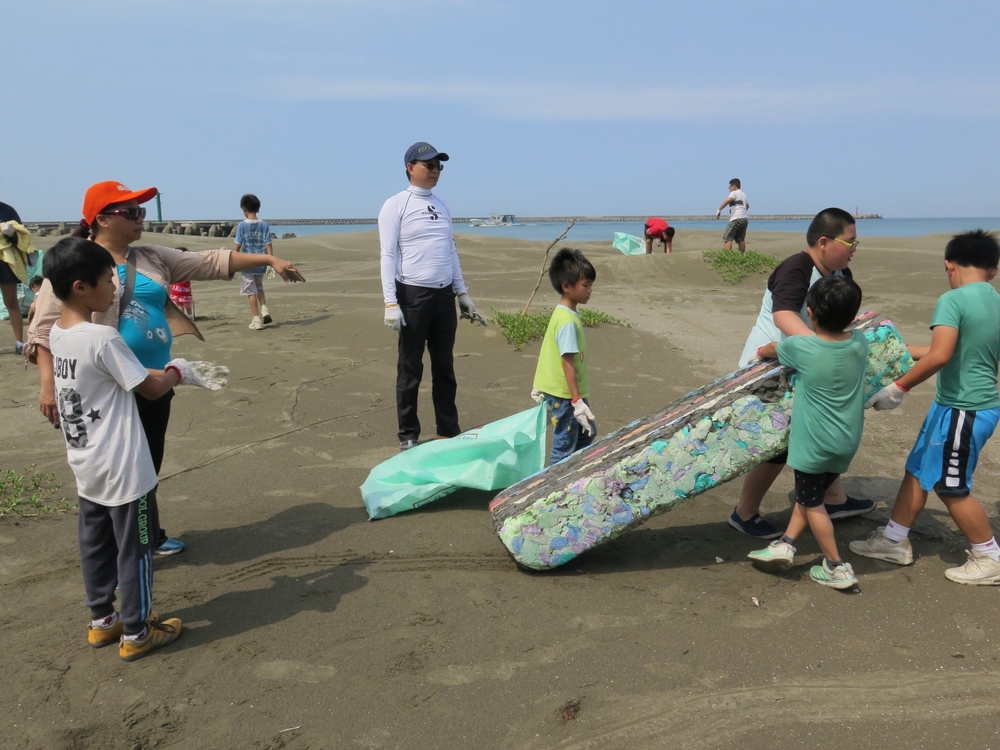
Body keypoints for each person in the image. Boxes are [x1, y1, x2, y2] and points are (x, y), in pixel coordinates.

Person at [26, 180, 303, 555]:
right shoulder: (76, 261)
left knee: (147, 465)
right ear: (103, 219)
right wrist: (47, 387)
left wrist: (269, 259)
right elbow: (42, 330)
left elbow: (211, 261)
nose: (141, 218)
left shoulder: (151, 257)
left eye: (141, 210)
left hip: (155, 383)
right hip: (107, 389)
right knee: (113, 471)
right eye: (132, 212)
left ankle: (147, 534)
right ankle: (120, 550)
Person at [43, 236, 215, 660]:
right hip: (124, 468)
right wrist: (178, 370)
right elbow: (151, 388)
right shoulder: (102, 338)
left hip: (87, 463)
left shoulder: (57, 334)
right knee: (136, 548)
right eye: (107, 280)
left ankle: (102, 621)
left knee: (96, 543)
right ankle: (137, 632)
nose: (115, 287)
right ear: (81, 287)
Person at [851, 230, 1000, 585]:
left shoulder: (953, 299)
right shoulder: (993, 300)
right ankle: (893, 540)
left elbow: (941, 354)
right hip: (958, 406)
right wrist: (892, 348)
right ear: (993, 270)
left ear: (949, 264)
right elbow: (954, 350)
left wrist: (898, 387)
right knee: (917, 470)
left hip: (966, 408)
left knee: (951, 486)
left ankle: (989, 556)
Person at [729, 207, 875, 538]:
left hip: (805, 366)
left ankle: (834, 497)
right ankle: (744, 512)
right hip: (768, 369)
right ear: (824, 242)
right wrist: (824, 351)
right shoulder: (797, 268)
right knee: (778, 446)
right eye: (850, 241)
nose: (854, 248)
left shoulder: (840, 277)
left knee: (829, 425)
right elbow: (784, 316)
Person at [746, 275, 867, 589]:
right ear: (852, 317)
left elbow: (771, 348)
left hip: (813, 443)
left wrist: (763, 348)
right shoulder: (859, 343)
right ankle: (786, 541)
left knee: (813, 502)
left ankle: (835, 566)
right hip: (846, 440)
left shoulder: (802, 347)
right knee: (808, 494)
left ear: (809, 313)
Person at [378, 142, 480, 451]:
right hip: (412, 295)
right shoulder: (395, 205)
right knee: (410, 369)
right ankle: (408, 435)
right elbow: (387, 255)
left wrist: (462, 293)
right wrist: (391, 302)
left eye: (438, 166)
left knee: (444, 367)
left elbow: (450, 251)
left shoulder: (443, 205)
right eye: (428, 165)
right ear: (410, 167)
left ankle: (447, 429)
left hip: (443, 297)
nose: (435, 170)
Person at [530, 248, 598, 465]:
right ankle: (551, 486)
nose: (590, 290)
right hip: (565, 394)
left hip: (567, 391)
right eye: (585, 286)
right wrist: (577, 401)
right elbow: (566, 362)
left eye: (590, 285)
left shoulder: (565, 312)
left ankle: (575, 470)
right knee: (564, 444)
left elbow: (548, 350)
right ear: (566, 287)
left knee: (587, 433)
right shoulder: (567, 321)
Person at [233, 194, 273, 330]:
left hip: (247, 264)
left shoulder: (241, 226)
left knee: (250, 291)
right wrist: (271, 261)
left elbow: (238, 245)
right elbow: (268, 243)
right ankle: (264, 309)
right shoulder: (264, 225)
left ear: (244, 209)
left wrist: (233, 261)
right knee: (259, 287)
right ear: (258, 209)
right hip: (261, 262)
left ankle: (256, 319)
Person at [0, 200, 27, 352]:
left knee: (11, 302)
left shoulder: (7, 210)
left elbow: (22, 237)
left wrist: (10, 234)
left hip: (6, 263)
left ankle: (19, 342)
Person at [716, 178, 750, 252]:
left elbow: (728, 200)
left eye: (730, 187)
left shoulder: (734, 193)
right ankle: (741, 256)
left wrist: (719, 209)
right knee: (741, 239)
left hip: (736, 218)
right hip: (744, 219)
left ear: (734, 186)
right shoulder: (743, 194)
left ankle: (728, 257)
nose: (729, 188)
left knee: (728, 238)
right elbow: (747, 206)